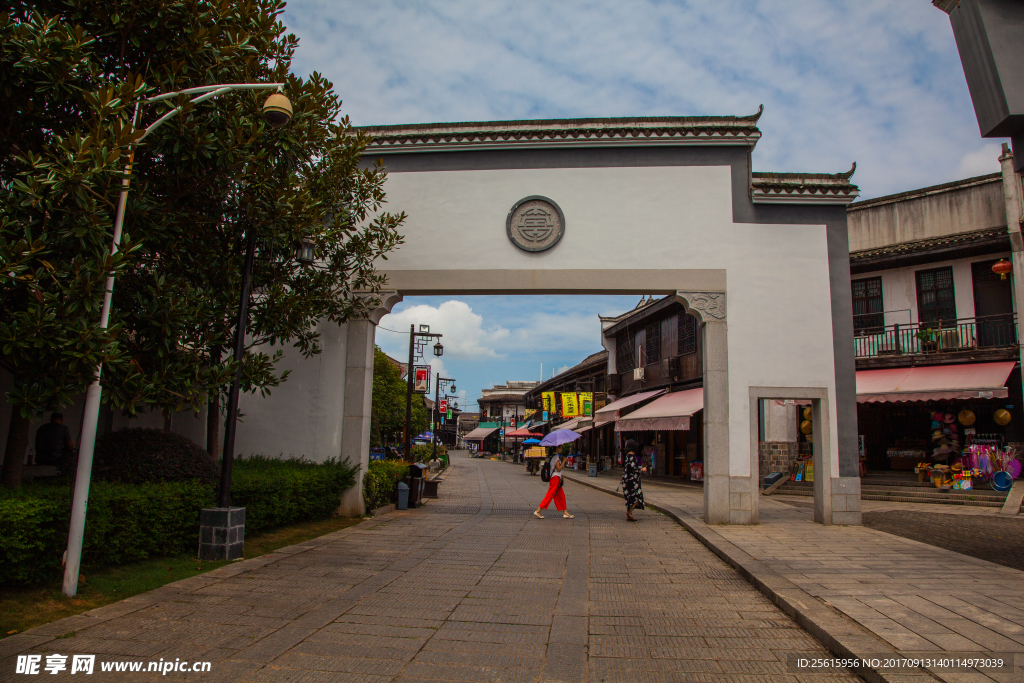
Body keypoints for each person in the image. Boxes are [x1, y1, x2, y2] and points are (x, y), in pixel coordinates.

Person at [534, 451, 574, 519]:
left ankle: (565, 512)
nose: (561, 449)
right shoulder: (556, 457)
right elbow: (558, 469)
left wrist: (562, 461)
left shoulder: (554, 456)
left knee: (561, 495)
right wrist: (564, 461)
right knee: (550, 494)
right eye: (560, 448)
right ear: (557, 448)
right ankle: (538, 510)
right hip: (555, 478)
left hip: (556, 478)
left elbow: (561, 468)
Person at [621, 439, 646, 521]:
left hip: (626, 480)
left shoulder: (627, 457)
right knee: (636, 497)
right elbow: (634, 469)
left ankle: (629, 513)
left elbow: (628, 468)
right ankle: (630, 513)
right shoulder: (632, 457)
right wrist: (642, 469)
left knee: (629, 497)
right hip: (632, 481)